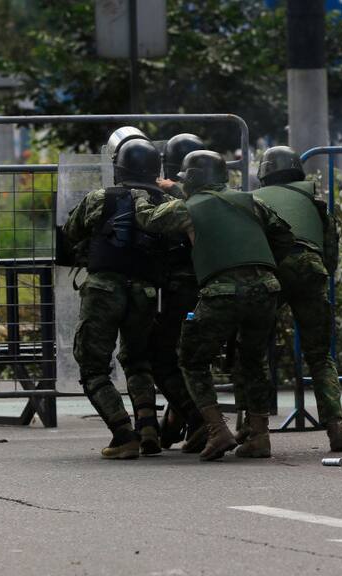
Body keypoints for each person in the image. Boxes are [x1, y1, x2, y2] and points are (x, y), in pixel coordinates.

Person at [130, 150, 294, 461]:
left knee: (192, 359)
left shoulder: (186, 208)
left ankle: (217, 430)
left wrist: (141, 194)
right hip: (266, 289)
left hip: (222, 291)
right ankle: (259, 435)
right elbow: (284, 235)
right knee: (254, 360)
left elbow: (148, 220)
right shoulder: (251, 201)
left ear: (192, 179)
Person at [62, 135, 165, 459]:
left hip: (104, 289)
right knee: (137, 360)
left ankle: (123, 434)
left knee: (93, 367)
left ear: (118, 169)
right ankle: (149, 427)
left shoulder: (99, 198)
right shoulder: (164, 203)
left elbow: (71, 231)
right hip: (146, 291)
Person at [249, 145, 342, 452]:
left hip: (272, 270)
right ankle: (336, 428)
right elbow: (331, 252)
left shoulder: (256, 200)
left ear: (265, 173)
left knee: (255, 351)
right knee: (320, 356)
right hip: (312, 269)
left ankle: (257, 434)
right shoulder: (315, 203)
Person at [150, 133, 208, 452]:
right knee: (187, 357)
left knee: (161, 355)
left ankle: (201, 421)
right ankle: (175, 424)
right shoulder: (223, 196)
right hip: (210, 290)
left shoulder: (170, 199)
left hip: (181, 291)